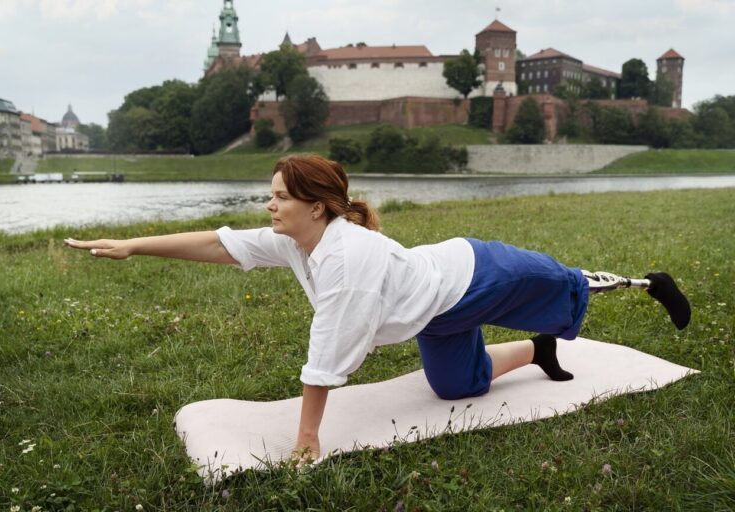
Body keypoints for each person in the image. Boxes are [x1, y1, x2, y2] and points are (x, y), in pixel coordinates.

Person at [65, 154, 690, 462]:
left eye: (279, 197)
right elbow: (219, 243)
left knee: (569, 286)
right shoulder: (298, 241)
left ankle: (644, 281)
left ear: (318, 206)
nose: (269, 207)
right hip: (434, 308)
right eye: (269, 196)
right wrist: (134, 246)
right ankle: (536, 349)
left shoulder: (348, 261)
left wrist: (307, 442)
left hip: (481, 274)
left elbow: (326, 358)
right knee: (456, 387)